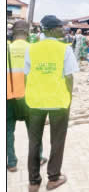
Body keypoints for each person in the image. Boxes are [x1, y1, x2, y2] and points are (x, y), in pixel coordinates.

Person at [24, 15, 79, 191]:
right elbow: (69, 77)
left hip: (35, 102)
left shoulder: (31, 49)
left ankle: (33, 182)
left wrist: (31, 94)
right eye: (60, 27)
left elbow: (27, 75)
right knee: (57, 141)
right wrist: (68, 99)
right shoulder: (65, 49)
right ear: (50, 29)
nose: (63, 30)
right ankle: (53, 178)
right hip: (58, 102)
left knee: (34, 142)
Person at [7, 20, 47, 173]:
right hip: (30, 97)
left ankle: (11, 163)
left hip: (8, 96)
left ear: (13, 33)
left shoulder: (6, 49)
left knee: (7, 131)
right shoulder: (34, 49)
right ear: (27, 33)